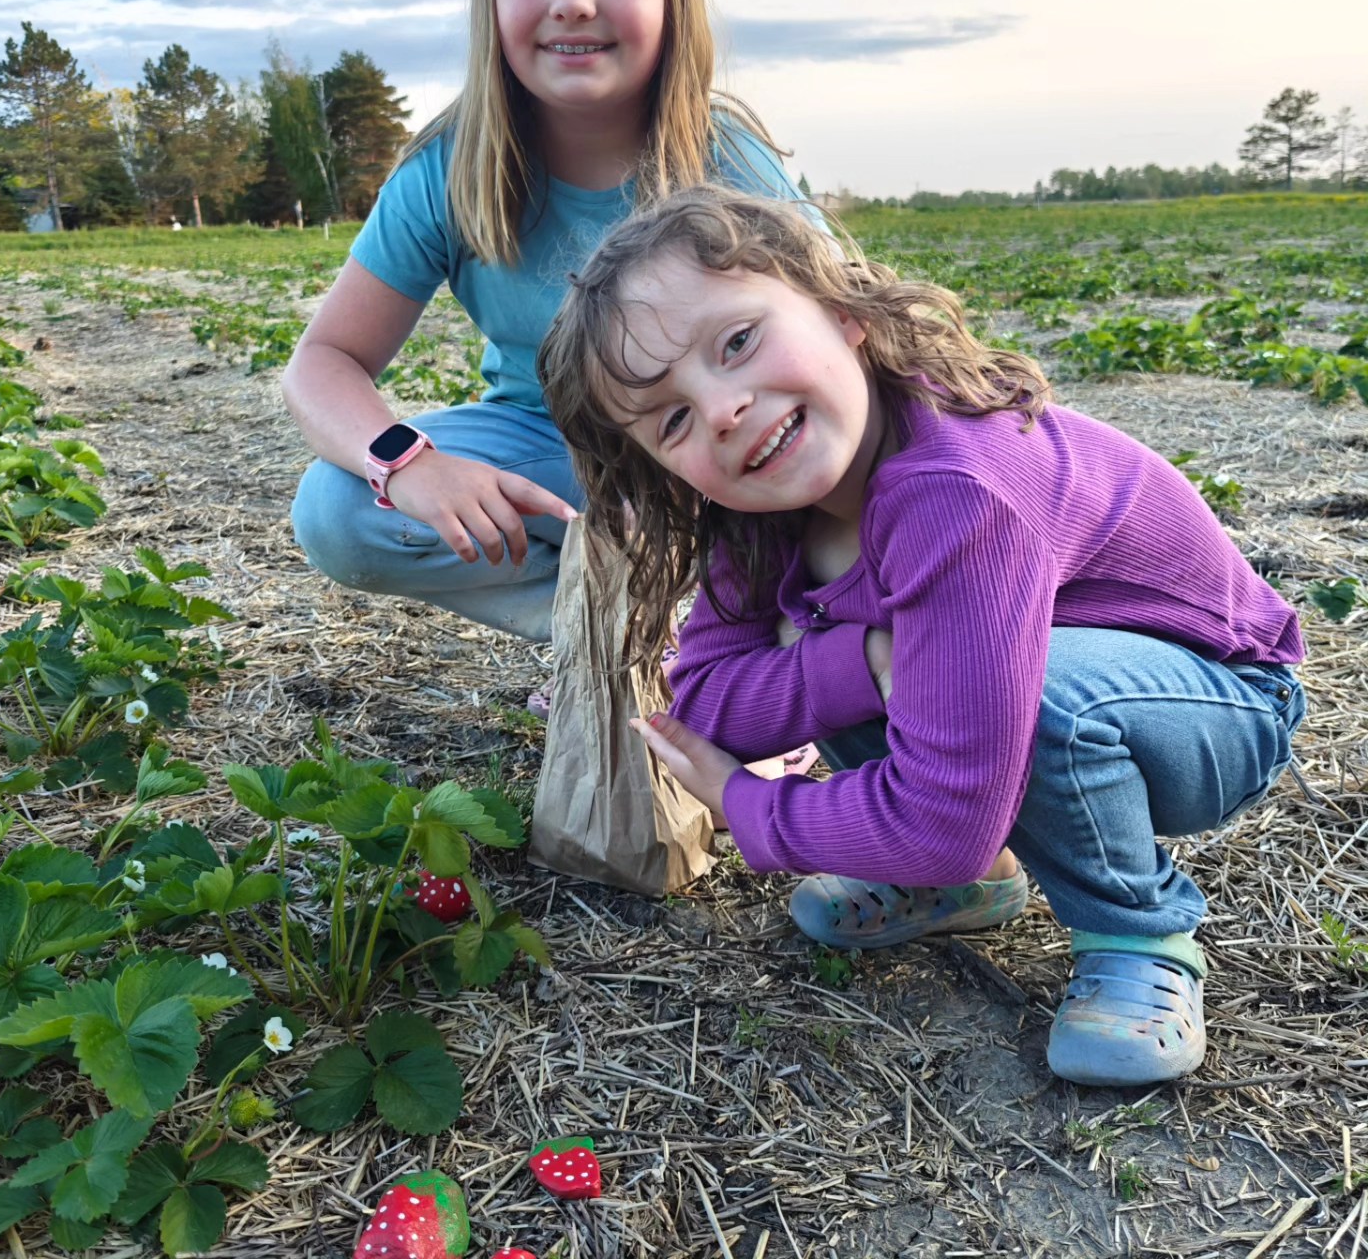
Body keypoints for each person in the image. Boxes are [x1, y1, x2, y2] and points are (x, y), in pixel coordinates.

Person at [538, 185, 1306, 1087]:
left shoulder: (957, 487)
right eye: (671, 418)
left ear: (843, 314)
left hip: (1214, 701)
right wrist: (862, 657)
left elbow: (934, 815)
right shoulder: (761, 508)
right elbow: (706, 699)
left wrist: (753, 811)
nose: (721, 410)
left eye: (738, 342)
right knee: (876, 642)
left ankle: (1140, 932)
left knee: (1030, 691)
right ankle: (972, 881)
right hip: (1031, 681)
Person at [283, 0, 815, 656]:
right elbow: (323, 364)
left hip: (716, 443)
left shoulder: (725, 159)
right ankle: (615, 636)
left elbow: (851, 338)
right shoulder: (447, 173)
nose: (573, 0)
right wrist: (408, 464)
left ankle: (752, 641)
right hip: (551, 459)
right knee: (338, 512)